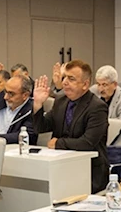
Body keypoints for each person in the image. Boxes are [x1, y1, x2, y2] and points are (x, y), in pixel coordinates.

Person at [32, 60, 109, 193]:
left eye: (71, 79)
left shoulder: (97, 107)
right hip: (60, 166)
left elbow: (87, 143)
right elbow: (41, 127)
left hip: (88, 171)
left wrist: (58, 143)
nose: (65, 82)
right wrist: (38, 104)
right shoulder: (61, 101)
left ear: (85, 84)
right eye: (64, 77)